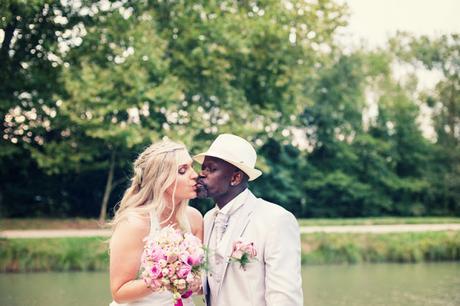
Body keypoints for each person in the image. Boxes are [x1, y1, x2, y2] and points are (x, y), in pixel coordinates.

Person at [194, 134, 303, 306]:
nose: (201, 174)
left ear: (235, 178)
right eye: (203, 168)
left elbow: (285, 296)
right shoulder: (208, 219)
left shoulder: (276, 219)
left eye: (211, 169)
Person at [109, 139, 203, 306]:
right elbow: (119, 292)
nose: (195, 175)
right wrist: (165, 276)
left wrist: (196, 283)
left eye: (191, 167)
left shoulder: (195, 219)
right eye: (182, 170)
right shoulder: (135, 224)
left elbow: (199, 282)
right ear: (161, 179)